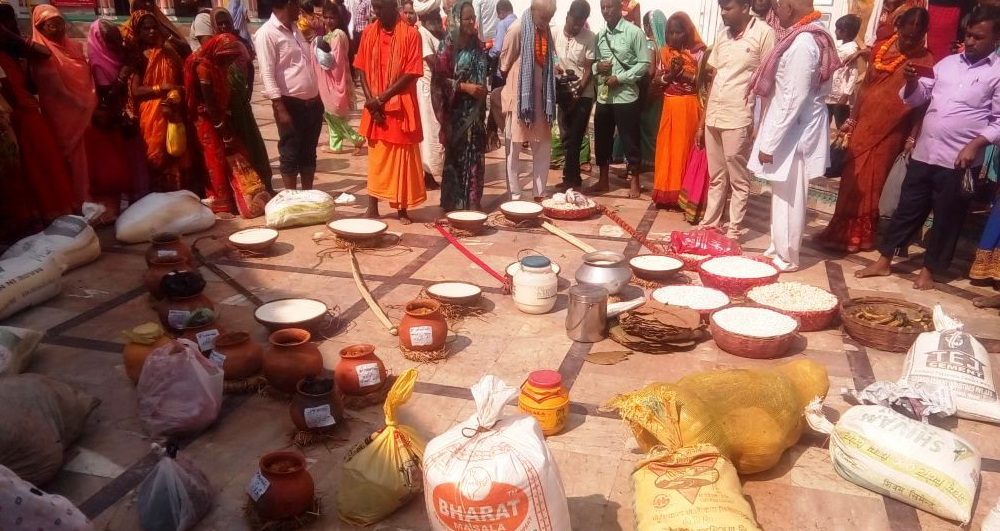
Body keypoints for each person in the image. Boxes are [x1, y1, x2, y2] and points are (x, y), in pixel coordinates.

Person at [857, 5, 1000, 290]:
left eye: (978, 37)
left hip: (959, 160)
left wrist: (975, 144)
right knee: (907, 208)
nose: (970, 41)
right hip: (925, 152)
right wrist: (911, 81)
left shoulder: (997, 73)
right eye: (969, 35)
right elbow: (917, 97)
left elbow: (998, 121)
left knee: (947, 216)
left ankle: (930, 270)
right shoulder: (947, 64)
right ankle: (885, 260)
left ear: (995, 40)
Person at [818, 8, 932, 253]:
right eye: (906, 33)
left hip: (892, 131)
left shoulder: (925, 60)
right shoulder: (880, 48)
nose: (910, 40)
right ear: (897, 25)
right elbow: (866, 87)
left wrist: (913, 136)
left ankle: (861, 236)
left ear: (924, 33)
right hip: (863, 124)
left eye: (917, 36)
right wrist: (851, 119)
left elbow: (922, 105)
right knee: (852, 178)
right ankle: (839, 231)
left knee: (874, 181)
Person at [747, 0, 839, 272]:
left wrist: (770, 142)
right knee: (780, 192)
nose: (774, 11)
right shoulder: (801, 36)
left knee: (790, 195)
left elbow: (792, 99)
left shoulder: (802, 44)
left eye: (776, 6)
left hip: (793, 131)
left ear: (789, 6)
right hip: (790, 127)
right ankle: (778, 247)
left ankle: (787, 257)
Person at [698, 0, 774, 240]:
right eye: (721, 7)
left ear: (744, 7)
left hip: (739, 116)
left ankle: (733, 230)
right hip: (714, 115)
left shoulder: (763, 33)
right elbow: (715, 79)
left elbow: (769, 83)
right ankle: (710, 224)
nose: (723, 12)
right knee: (717, 176)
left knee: (738, 179)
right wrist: (702, 122)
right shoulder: (722, 36)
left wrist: (762, 125)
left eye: (727, 7)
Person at [0, 4, 74, 228]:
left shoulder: (15, 51)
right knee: (31, 168)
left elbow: (43, 55)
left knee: (41, 164)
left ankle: (46, 213)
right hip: (17, 116)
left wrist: (11, 38)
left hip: (26, 113)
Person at [354, 0, 425, 223]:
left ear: (393, 6)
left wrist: (381, 99)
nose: (376, 12)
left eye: (380, 7)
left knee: (401, 158)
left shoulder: (412, 35)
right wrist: (371, 102)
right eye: (374, 7)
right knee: (376, 158)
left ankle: (401, 209)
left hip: (399, 106)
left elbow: (411, 73)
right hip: (376, 109)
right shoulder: (368, 33)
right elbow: (361, 69)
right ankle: (372, 206)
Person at [185, 33, 269, 217]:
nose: (229, 62)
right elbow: (210, 104)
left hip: (220, 117)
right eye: (227, 57)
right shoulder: (203, 68)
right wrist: (223, 131)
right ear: (218, 53)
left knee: (234, 155)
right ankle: (220, 202)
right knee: (214, 158)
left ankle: (235, 198)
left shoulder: (217, 66)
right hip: (206, 121)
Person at [30, 5, 99, 213]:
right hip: (62, 116)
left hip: (86, 109)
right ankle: (76, 203)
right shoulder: (40, 53)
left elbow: (87, 76)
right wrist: (84, 104)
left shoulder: (74, 47)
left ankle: (91, 200)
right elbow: (55, 90)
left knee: (89, 156)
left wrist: (89, 101)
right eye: (52, 25)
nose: (59, 29)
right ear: (40, 28)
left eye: (61, 23)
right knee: (71, 158)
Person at [257, 0, 324, 190]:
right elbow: (267, 73)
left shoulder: (296, 29)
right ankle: (291, 198)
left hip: (312, 103)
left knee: (308, 152)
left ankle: (308, 195)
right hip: (289, 104)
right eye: (296, 5)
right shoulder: (267, 33)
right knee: (290, 153)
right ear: (287, 5)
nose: (300, 10)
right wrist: (280, 108)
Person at [86, 19, 149, 214]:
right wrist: (124, 73)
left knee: (137, 160)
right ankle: (129, 206)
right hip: (115, 120)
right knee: (125, 164)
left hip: (130, 113)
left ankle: (141, 199)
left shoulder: (120, 52)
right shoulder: (98, 62)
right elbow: (108, 95)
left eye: (118, 40)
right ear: (100, 40)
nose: (117, 45)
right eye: (111, 41)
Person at [129, 9, 194, 193]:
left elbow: (187, 52)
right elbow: (135, 90)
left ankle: (179, 196)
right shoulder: (138, 57)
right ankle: (159, 198)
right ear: (138, 32)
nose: (151, 32)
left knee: (177, 151)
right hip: (151, 114)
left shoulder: (168, 52)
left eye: (154, 27)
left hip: (173, 109)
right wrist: (161, 88)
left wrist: (176, 92)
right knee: (157, 157)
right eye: (146, 28)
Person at [499, 0, 558, 201]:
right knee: (514, 147)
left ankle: (539, 192)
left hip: (541, 98)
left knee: (542, 145)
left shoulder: (545, 29)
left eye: (549, 18)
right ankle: (515, 194)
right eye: (543, 17)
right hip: (520, 99)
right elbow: (504, 63)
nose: (546, 22)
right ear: (533, 11)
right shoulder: (516, 29)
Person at [590, 0, 649, 197]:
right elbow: (592, 65)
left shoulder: (634, 33)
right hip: (605, 97)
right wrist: (598, 68)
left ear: (619, 8)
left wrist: (621, 78)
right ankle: (603, 180)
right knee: (602, 139)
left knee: (630, 139)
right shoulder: (600, 36)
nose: (606, 11)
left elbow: (644, 64)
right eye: (602, 8)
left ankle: (635, 181)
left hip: (626, 96)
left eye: (609, 7)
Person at [213, 7, 274, 194]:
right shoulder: (212, 47)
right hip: (224, 107)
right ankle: (238, 193)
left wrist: (248, 89)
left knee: (252, 144)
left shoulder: (240, 43)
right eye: (220, 23)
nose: (224, 26)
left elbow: (250, 66)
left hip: (241, 104)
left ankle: (264, 184)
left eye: (227, 22)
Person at [436, 0, 489, 211]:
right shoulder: (447, 46)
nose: (471, 22)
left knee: (474, 155)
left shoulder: (478, 45)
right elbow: (439, 81)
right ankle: (453, 203)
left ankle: (472, 202)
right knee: (456, 158)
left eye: (473, 18)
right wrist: (464, 87)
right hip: (455, 114)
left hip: (475, 114)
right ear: (457, 19)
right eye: (467, 18)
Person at [650, 12, 705, 208]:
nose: (673, 37)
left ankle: (682, 195)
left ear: (687, 33)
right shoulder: (664, 52)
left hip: (689, 107)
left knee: (683, 151)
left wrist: (683, 73)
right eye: (669, 32)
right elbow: (656, 83)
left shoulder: (698, 53)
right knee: (666, 150)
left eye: (677, 32)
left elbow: (703, 83)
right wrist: (671, 74)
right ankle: (666, 193)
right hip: (669, 106)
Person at [553, 0, 596, 192]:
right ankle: (573, 176)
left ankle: (569, 178)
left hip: (583, 95)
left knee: (576, 137)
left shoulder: (589, 38)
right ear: (567, 15)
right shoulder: (554, 33)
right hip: (562, 93)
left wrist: (577, 94)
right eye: (575, 20)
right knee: (565, 136)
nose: (577, 25)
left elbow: (588, 70)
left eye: (581, 22)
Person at [314, 1, 365, 154]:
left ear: (338, 19)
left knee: (336, 115)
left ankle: (357, 138)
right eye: (326, 17)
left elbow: (333, 61)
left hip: (336, 79)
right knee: (329, 114)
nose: (328, 21)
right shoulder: (329, 35)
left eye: (332, 18)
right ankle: (335, 144)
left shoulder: (338, 34)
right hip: (328, 80)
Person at [416, 0, 445, 190]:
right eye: (433, 16)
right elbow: (433, 61)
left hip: (441, 89)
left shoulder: (441, 33)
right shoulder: (422, 34)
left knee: (440, 132)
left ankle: (438, 173)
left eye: (437, 15)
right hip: (428, 89)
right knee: (430, 134)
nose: (436, 19)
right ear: (425, 18)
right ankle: (429, 174)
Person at [487, 0, 515, 143]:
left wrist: (488, 54)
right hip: (514, 72)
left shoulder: (503, 24)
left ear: (501, 12)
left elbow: (497, 49)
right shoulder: (519, 23)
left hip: (501, 71)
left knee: (495, 100)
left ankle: (491, 133)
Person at [122, 0, 192, 57]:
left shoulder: (162, 24)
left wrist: (169, 37)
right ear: (133, 5)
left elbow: (187, 51)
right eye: (142, 1)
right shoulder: (127, 30)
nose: (147, 4)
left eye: (150, 1)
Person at [827, 14, 862, 128]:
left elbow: (853, 73)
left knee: (841, 125)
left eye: (837, 29)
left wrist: (846, 94)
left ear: (845, 32)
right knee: (824, 125)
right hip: (829, 94)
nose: (835, 31)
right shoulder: (838, 46)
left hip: (841, 97)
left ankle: (841, 146)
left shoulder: (851, 50)